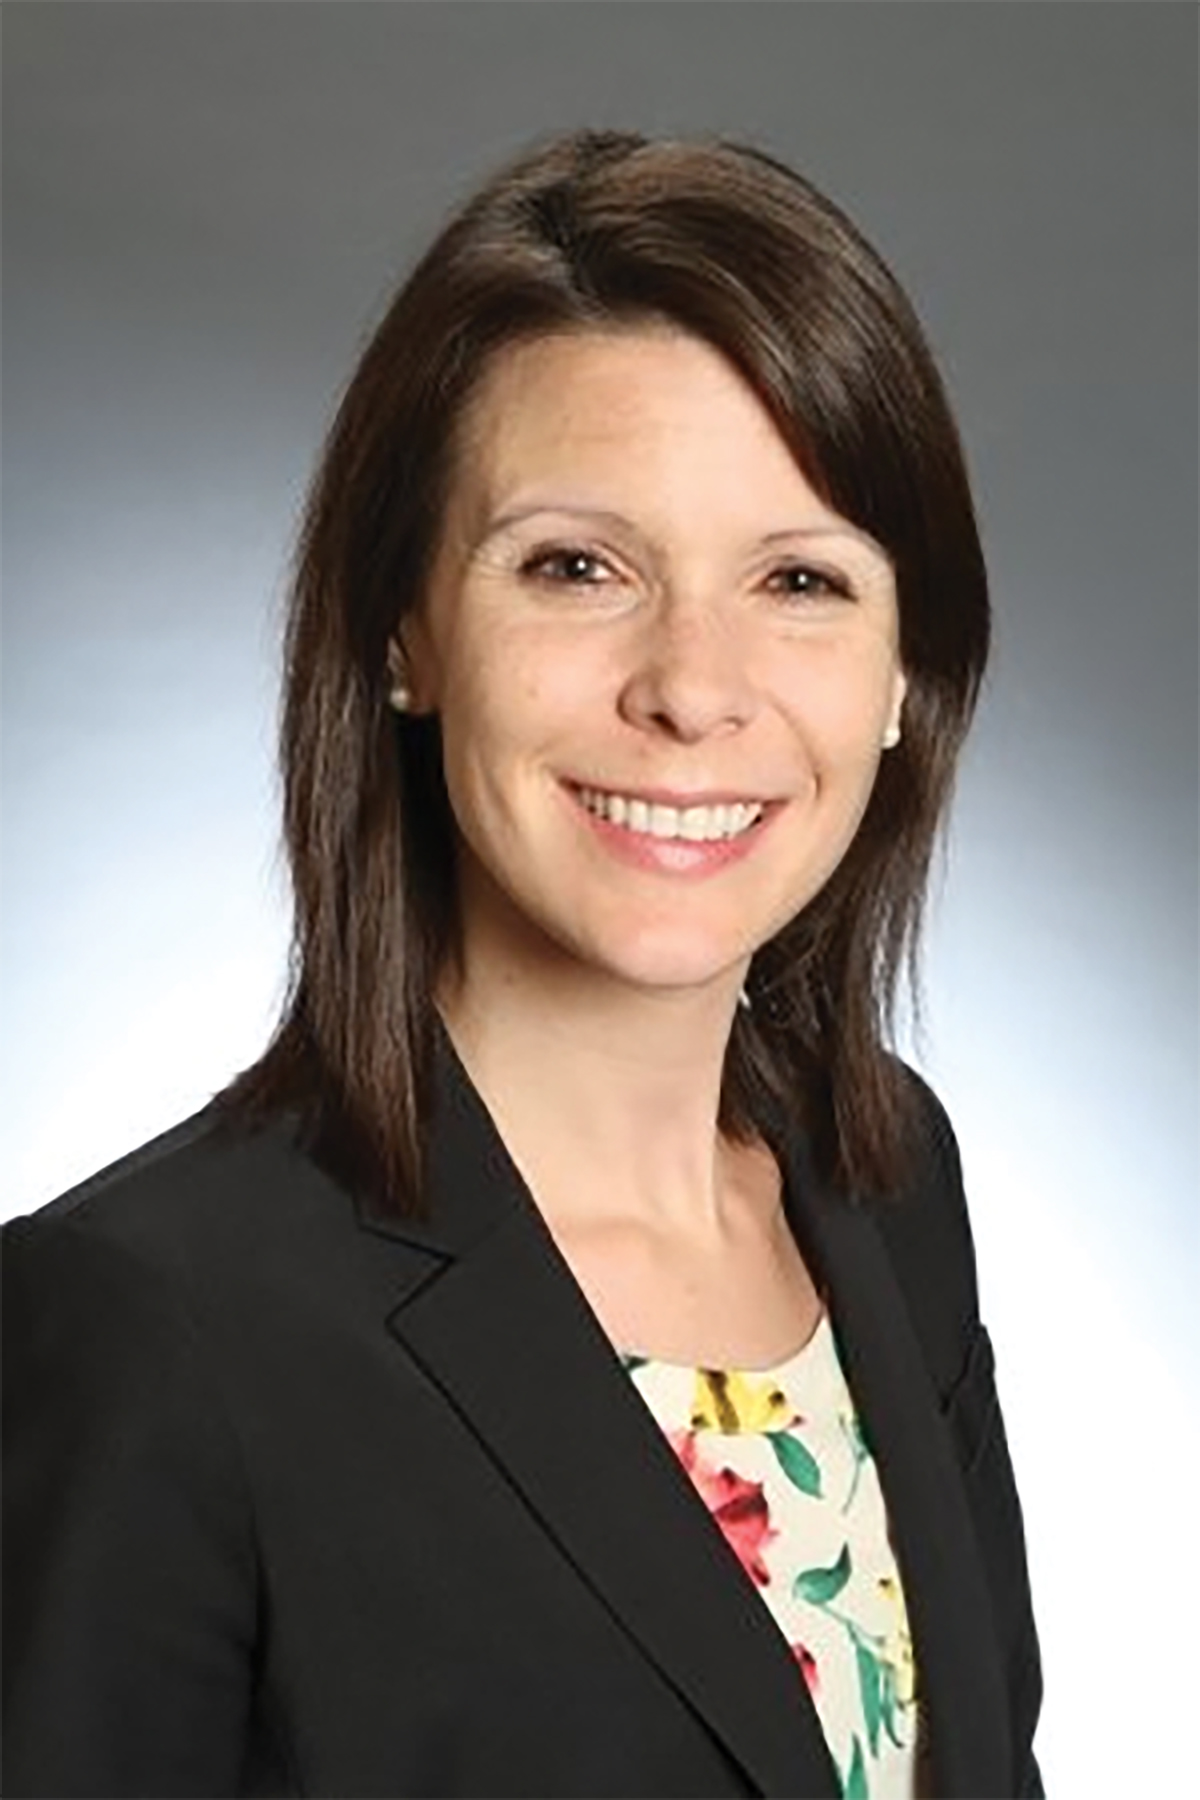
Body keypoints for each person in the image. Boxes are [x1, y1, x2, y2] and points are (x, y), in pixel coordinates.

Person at [2, 127, 1044, 1800]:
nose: (694, 688)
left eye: (799, 580)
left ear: (908, 669)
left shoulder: (891, 1188)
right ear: (405, 627)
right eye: (578, 567)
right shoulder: (148, 1326)